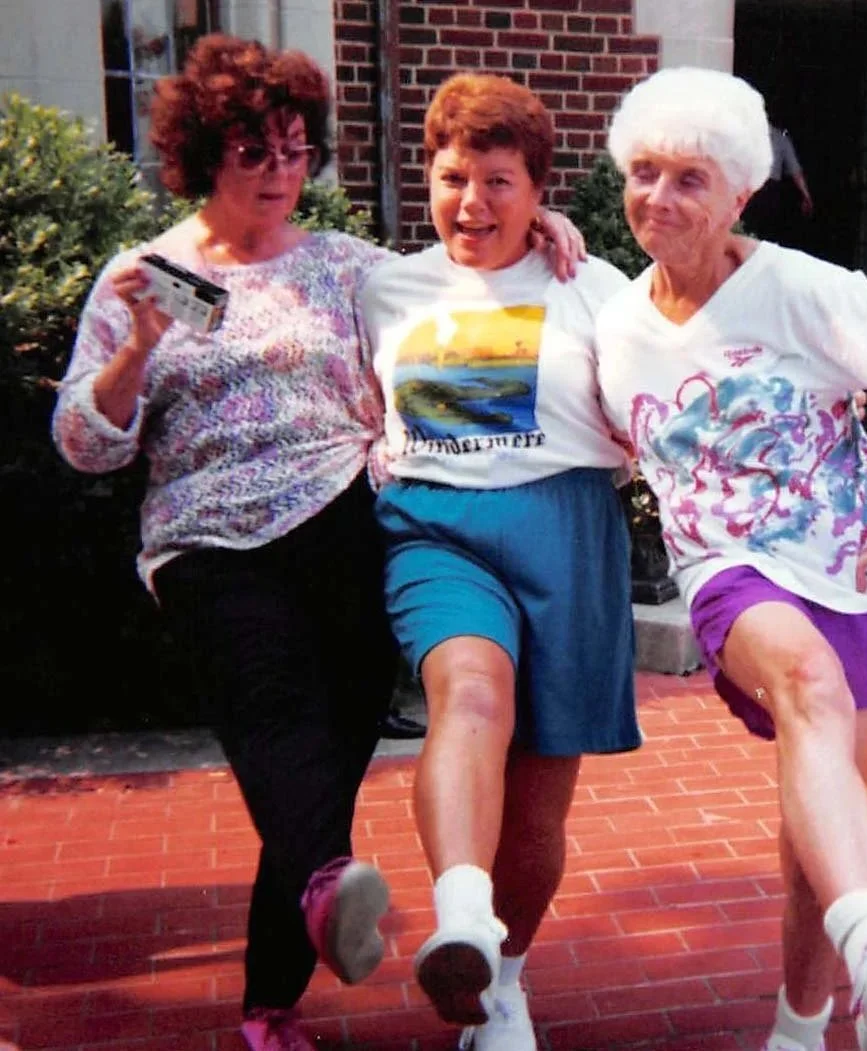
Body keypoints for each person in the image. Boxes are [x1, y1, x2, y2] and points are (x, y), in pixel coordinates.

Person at [49, 35, 582, 1051]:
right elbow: (82, 440)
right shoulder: (143, 276)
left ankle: (268, 1002)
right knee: (278, 728)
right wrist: (140, 355)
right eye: (258, 153)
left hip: (343, 520)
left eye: (297, 152)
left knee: (321, 771)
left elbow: (461, 271)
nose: (283, 173)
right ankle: (332, 888)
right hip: (207, 543)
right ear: (205, 153)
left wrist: (538, 220)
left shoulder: (348, 267)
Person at [595, 68, 867, 1051]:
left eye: (689, 178)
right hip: (729, 572)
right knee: (807, 684)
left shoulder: (798, 289)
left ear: (739, 191)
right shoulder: (607, 319)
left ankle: (806, 1027)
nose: (658, 197)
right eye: (642, 172)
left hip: (860, 574)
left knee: (813, 849)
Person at [361, 72, 642, 1051]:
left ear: (537, 190)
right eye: (451, 177)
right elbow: (249, 283)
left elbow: (660, 397)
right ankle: (462, 921)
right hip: (434, 528)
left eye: (499, 181)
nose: (471, 202)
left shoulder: (594, 286)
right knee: (470, 694)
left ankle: (503, 983)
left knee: (537, 800)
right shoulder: (380, 283)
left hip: (567, 531)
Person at [741, 121, 813, 243]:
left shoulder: (748, 137)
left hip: (753, 187)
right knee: (769, 233)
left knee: (748, 231)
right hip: (771, 190)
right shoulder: (781, 137)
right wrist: (806, 196)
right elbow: (795, 171)